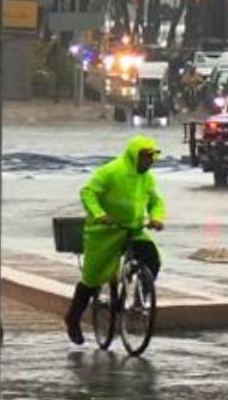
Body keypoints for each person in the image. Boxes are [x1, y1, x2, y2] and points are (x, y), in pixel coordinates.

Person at [64, 135, 166, 345]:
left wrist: (156, 218)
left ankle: (138, 297)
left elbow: (156, 200)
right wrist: (99, 214)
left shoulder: (147, 178)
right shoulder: (111, 171)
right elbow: (88, 193)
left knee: (152, 259)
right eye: (145, 157)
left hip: (133, 230)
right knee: (92, 278)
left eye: (151, 158)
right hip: (105, 232)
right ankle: (73, 317)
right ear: (134, 156)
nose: (149, 162)